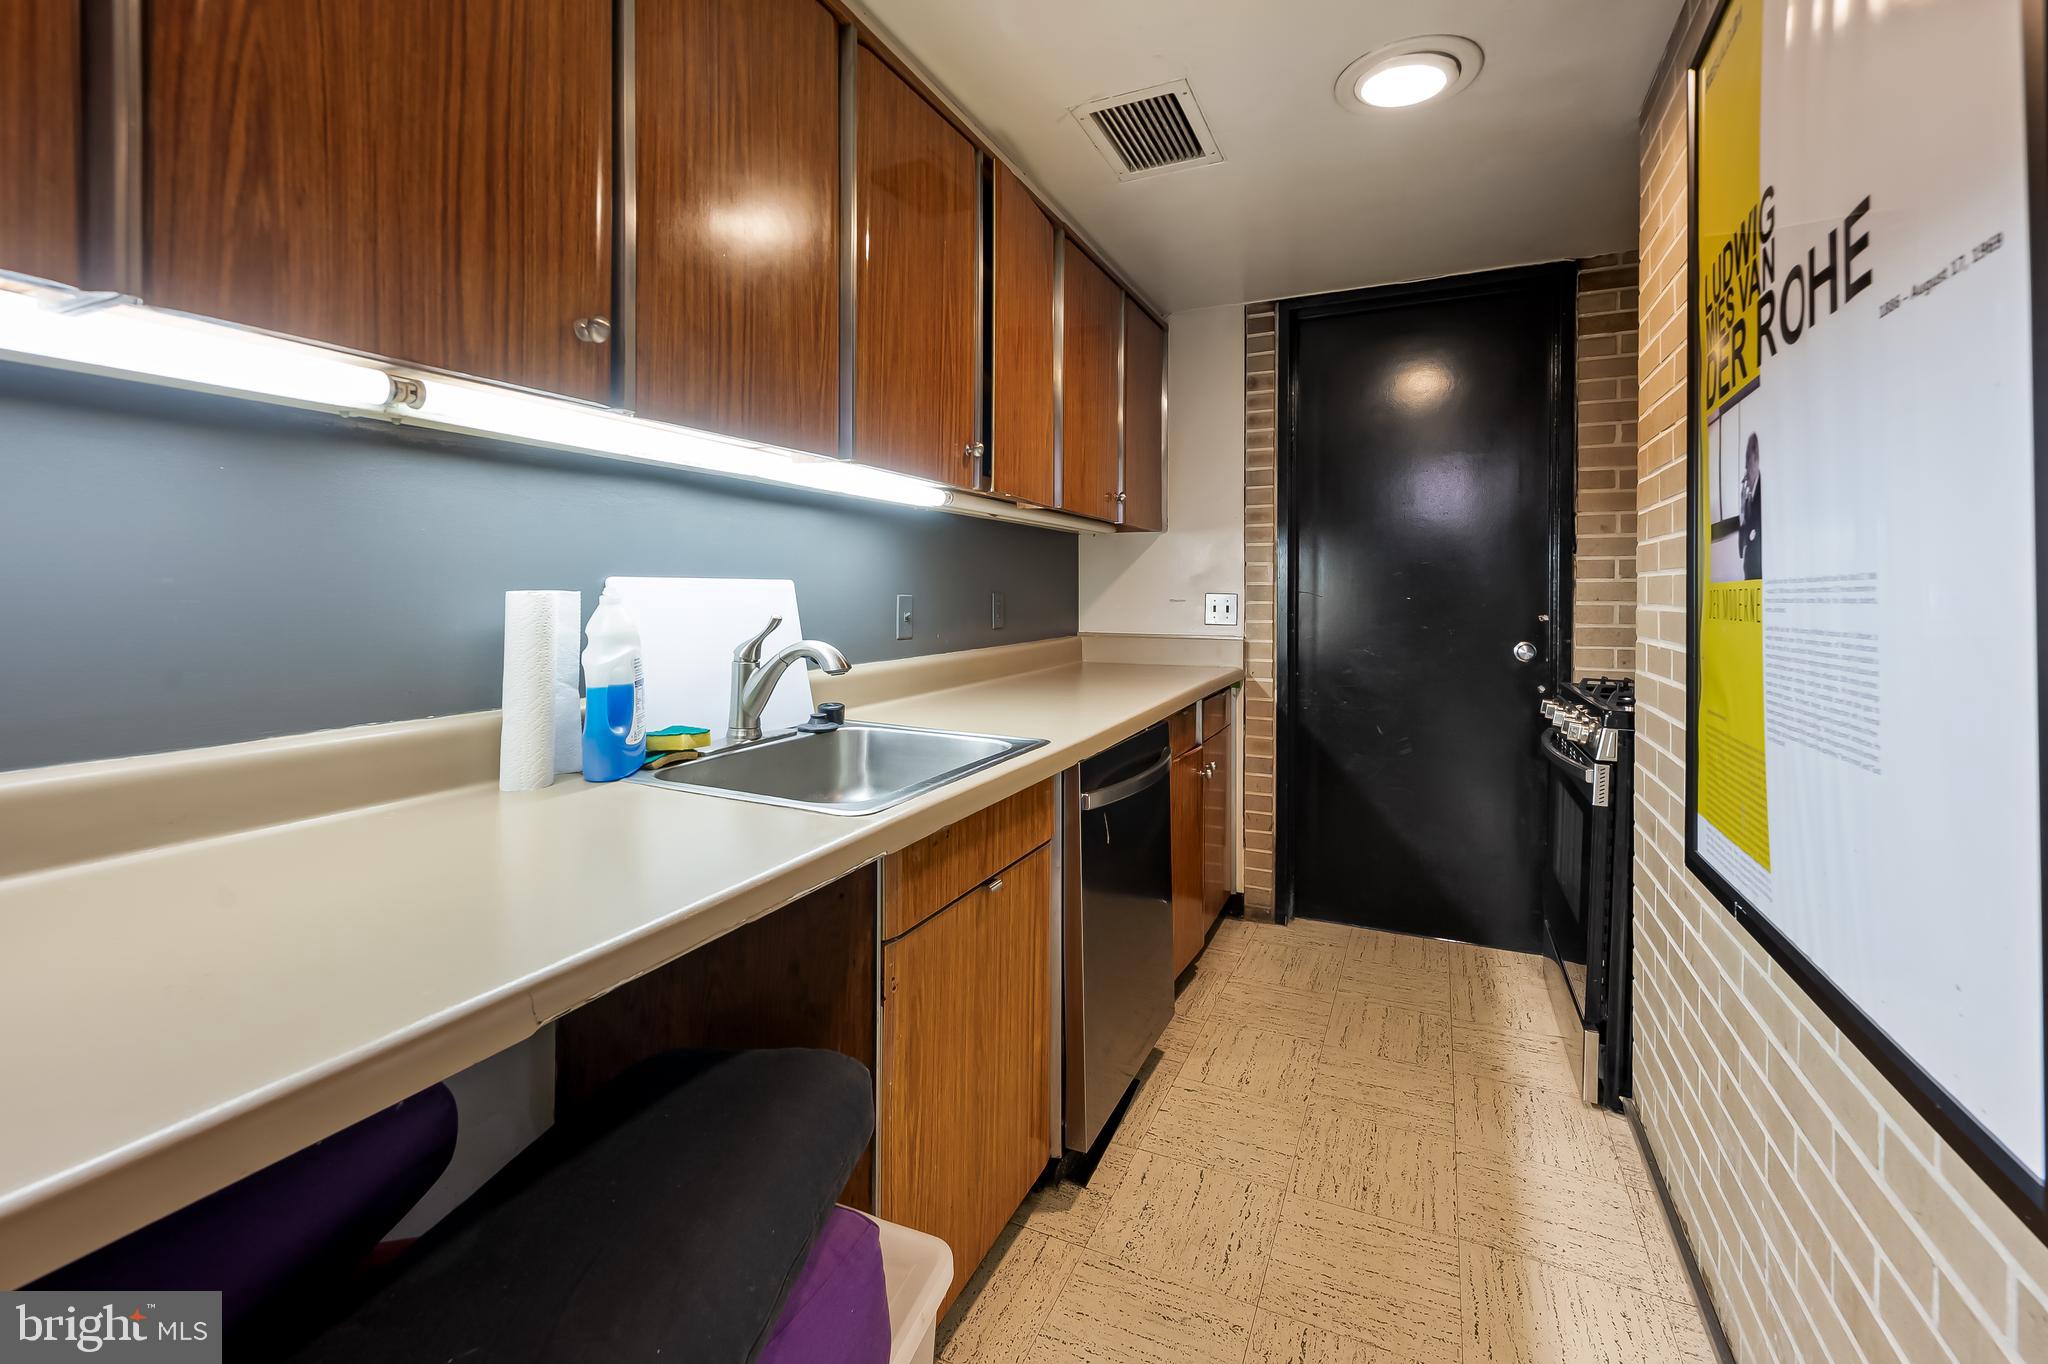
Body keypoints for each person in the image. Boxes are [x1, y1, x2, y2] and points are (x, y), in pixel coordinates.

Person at [1738, 433, 1762, 580]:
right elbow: (1742, 547)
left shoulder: (1764, 491)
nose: (1746, 466)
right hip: (1749, 572)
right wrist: (1742, 508)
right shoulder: (1747, 498)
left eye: (1748, 458)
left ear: (1755, 457)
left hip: (1759, 574)